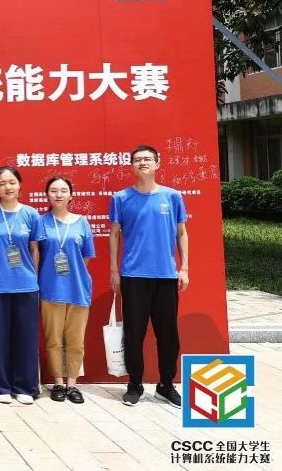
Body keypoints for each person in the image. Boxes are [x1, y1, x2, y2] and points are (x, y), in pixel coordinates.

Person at [109, 144, 189, 408]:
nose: (142, 163)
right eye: (137, 160)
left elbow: (181, 233)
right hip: (133, 275)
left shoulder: (172, 196)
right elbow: (114, 234)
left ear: (157, 163)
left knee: (168, 335)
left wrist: (184, 268)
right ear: (131, 166)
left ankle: (166, 385)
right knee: (134, 334)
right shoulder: (121, 198)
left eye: (147, 159)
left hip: (165, 276)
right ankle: (135, 385)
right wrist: (114, 270)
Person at [0, 165, 45, 405]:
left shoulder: (31, 214)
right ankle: (1, 386)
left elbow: (35, 250)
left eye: (12, 182)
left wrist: (34, 278)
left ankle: (25, 386)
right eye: (2, 183)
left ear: (20, 185)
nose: (7, 187)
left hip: (26, 286)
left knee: (26, 338)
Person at [38, 177, 95, 404]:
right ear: (47, 195)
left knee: (76, 341)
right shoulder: (41, 222)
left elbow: (86, 257)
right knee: (53, 340)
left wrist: (75, 277)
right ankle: (58, 383)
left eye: (63, 190)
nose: (59, 194)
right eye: (54, 190)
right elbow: (36, 255)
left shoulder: (82, 222)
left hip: (78, 289)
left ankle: (72, 384)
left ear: (71, 195)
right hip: (50, 288)